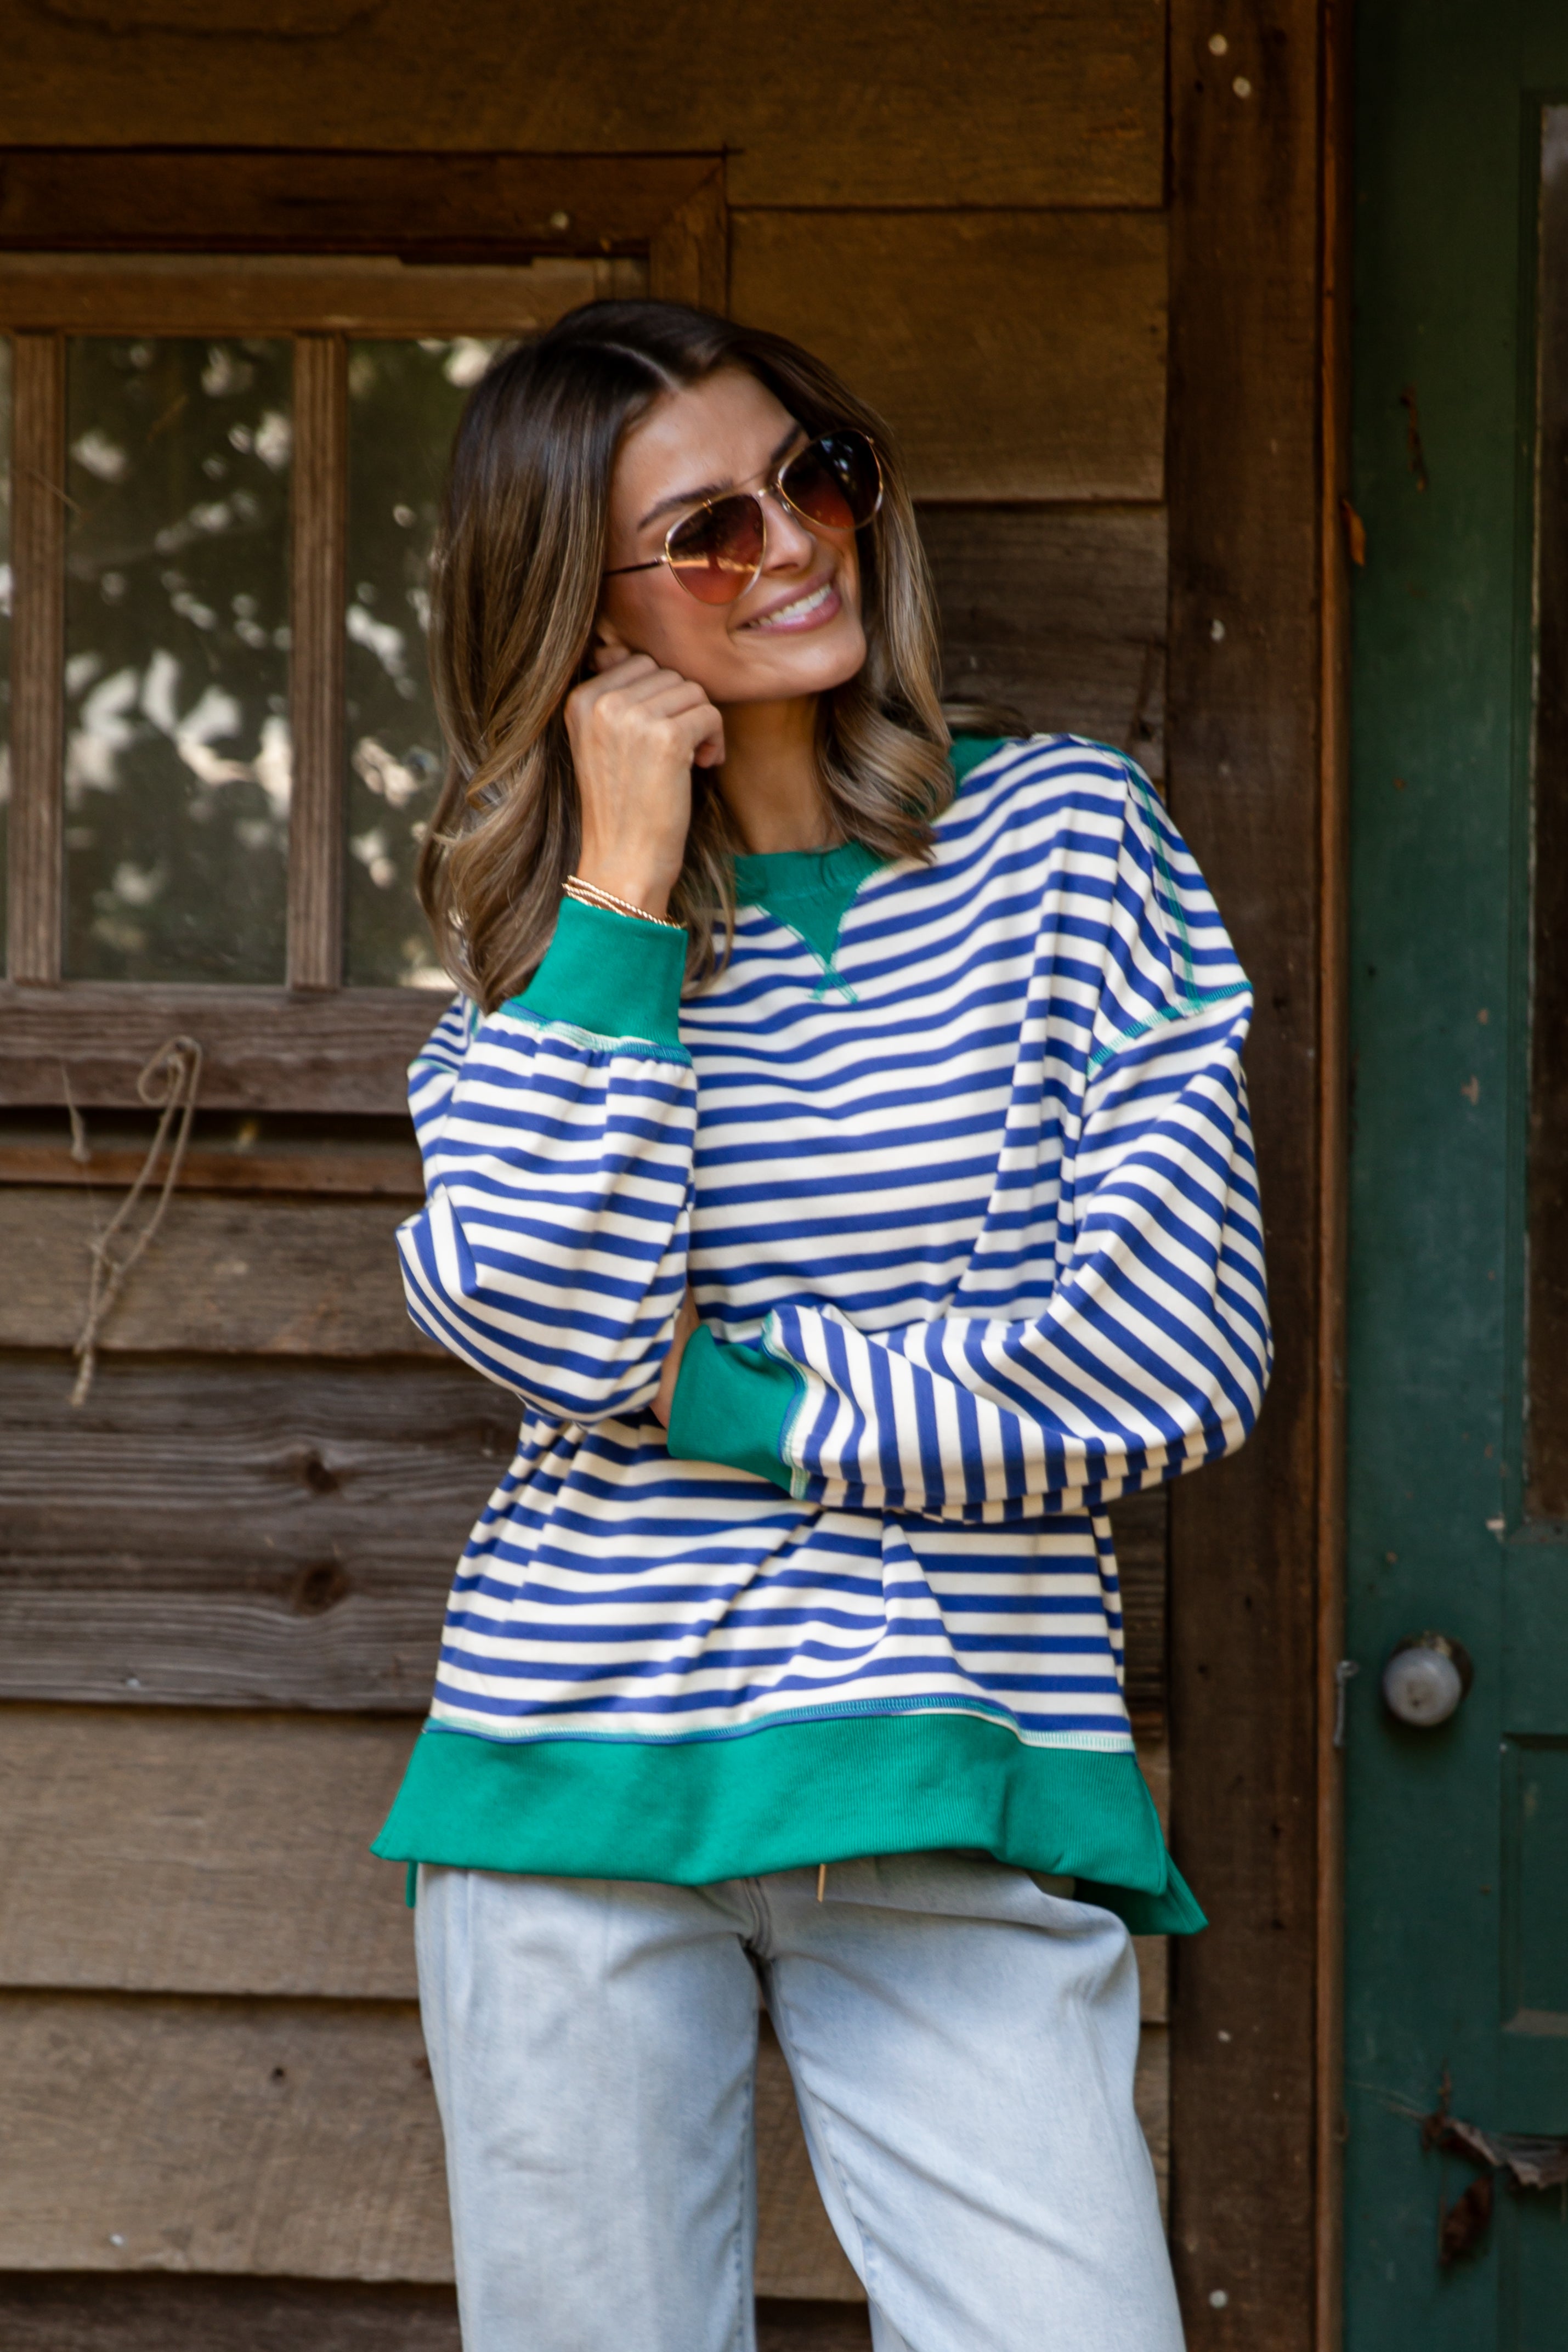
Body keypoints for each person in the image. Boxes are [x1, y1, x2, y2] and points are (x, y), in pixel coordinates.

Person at [373, 299, 1271, 2352]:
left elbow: (1167, 1361)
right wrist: (616, 878)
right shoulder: (542, 952)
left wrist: (711, 1391)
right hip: (567, 1784)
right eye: (703, 534)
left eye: (812, 479)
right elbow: (538, 1311)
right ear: (579, 614)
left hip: (953, 1747)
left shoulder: (1064, 846)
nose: (789, 546)